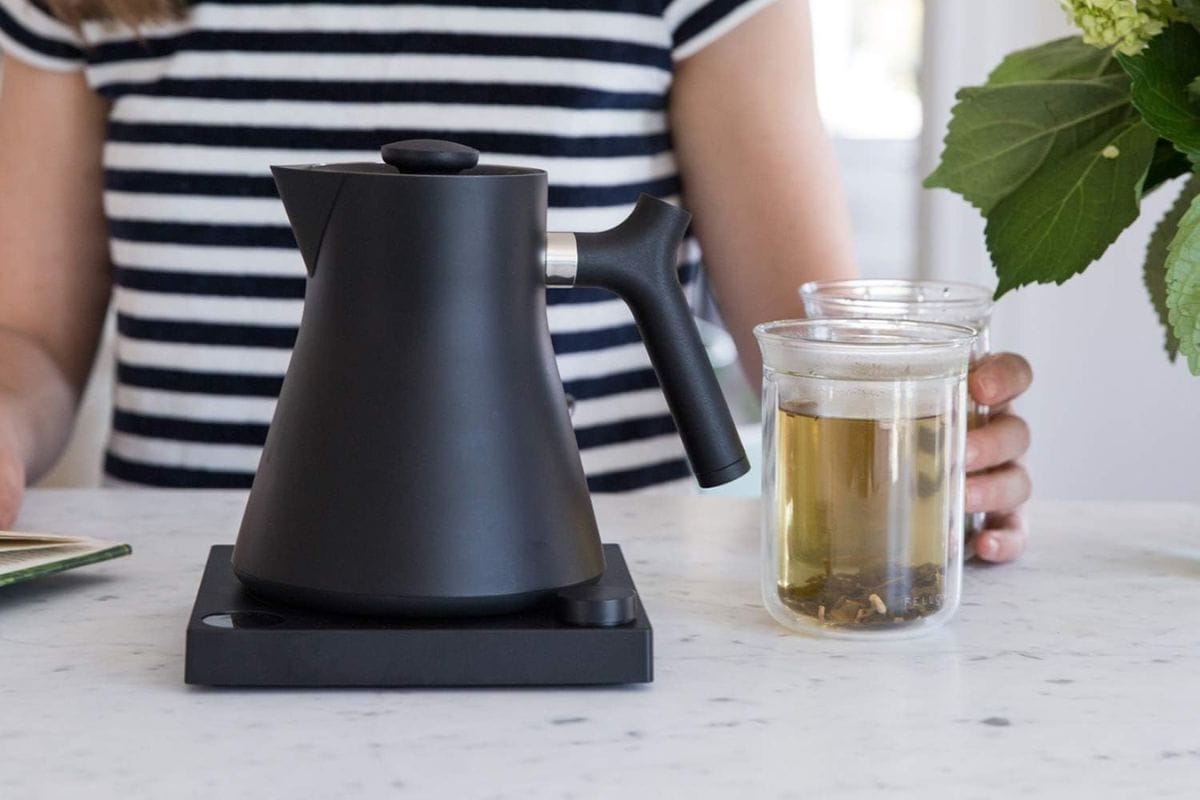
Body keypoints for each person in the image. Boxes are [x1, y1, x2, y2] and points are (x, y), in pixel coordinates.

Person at [0, 0, 1032, 561]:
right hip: (184, 588)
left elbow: (808, 345)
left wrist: (918, 456)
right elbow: (28, 337)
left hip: (579, 571)